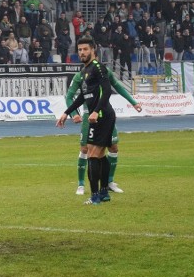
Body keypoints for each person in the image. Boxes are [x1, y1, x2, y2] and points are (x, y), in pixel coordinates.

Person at [64, 55, 142, 195]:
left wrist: (133, 102)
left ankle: (109, 182)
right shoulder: (79, 76)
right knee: (85, 149)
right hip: (90, 116)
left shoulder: (105, 72)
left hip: (105, 115)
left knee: (113, 147)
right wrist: (73, 114)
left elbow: (117, 86)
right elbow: (69, 97)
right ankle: (81, 185)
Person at [56, 35, 118, 205]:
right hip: (97, 117)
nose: (82, 52)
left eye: (85, 49)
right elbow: (82, 97)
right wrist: (66, 113)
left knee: (92, 153)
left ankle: (95, 196)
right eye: (80, 50)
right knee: (99, 154)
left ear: (93, 50)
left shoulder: (98, 68)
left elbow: (107, 91)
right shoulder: (84, 72)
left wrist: (96, 111)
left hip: (103, 116)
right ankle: (104, 193)